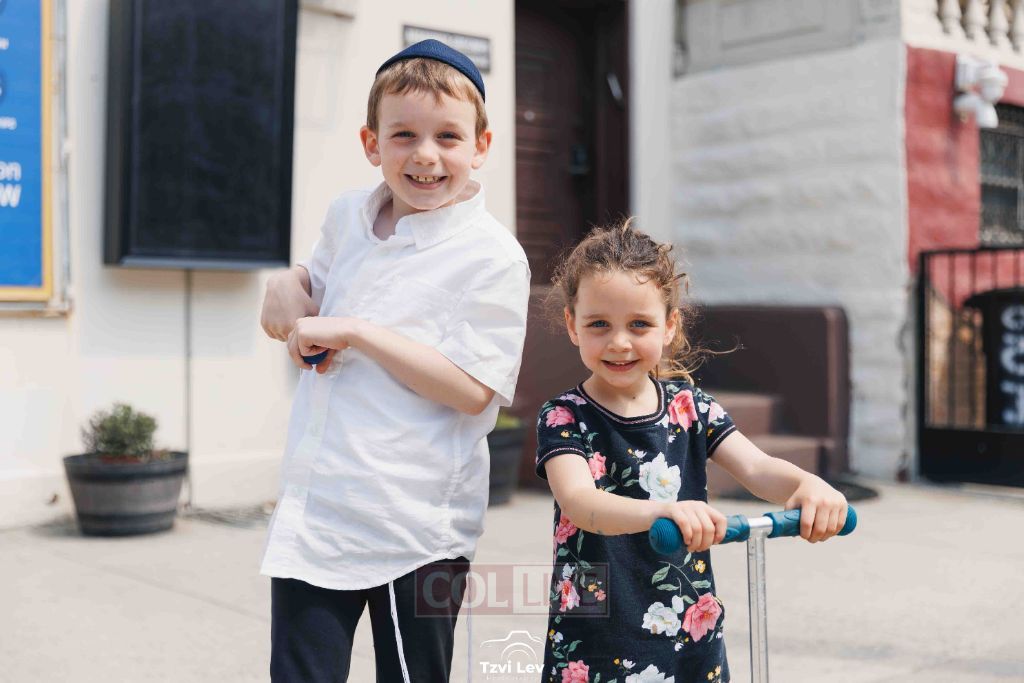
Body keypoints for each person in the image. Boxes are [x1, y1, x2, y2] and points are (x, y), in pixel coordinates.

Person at [258, 40, 530, 682]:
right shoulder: (347, 215)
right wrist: (290, 286)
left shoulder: (492, 256)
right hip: (321, 508)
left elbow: (473, 389)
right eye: (403, 134)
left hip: (416, 528)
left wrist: (357, 331)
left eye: (448, 137)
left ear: (481, 146)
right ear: (371, 143)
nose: (425, 155)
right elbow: (316, 291)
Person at [534, 219, 847, 683]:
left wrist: (807, 484)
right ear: (572, 325)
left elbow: (756, 467)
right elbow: (580, 503)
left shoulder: (690, 408)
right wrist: (663, 511)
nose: (619, 342)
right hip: (598, 632)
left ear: (669, 326)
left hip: (688, 626)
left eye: (639, 324)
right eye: (599, 324)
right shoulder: (565, 416)